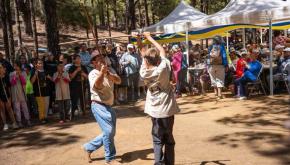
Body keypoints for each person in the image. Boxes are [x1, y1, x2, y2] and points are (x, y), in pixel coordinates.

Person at [137, 32, 180, 165]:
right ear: (158, 60)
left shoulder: (144, 71)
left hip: (154, 110)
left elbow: (142, 52)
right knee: (169, 140)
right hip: (167, 109)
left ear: (146, 61)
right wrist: (148, 37)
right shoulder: (163, 67)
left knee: (157, 139)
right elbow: (161, 49)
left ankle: (158, 163)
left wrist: (139, 39)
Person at [82, 50, 121, 165]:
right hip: (98, 105)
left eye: (103, 59)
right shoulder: (93, 73)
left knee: (109, 133)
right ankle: (110, 158)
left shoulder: (109, 71)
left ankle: (89, 147)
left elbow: (119, 81)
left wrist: (108, 74)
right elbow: (97, 85)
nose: (102, 62)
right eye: (99, 60)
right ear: (94, 63)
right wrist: (101, 73)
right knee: (108, 131)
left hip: (109, 106)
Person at [9, 62, 31, 127]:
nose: (15, 67)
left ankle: (27, 120)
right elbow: (12, 83)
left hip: (22, 92)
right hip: (15, 93)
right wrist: (15, 77)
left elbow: (24, 82)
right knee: (17, 108)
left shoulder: (23, 73)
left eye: (16, 66)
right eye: (14, 66)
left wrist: (20, 75)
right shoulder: (11, 74)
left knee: (25, 107)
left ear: (19, 66)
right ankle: (19, 121)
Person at [30, 59, 52, 123]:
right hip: (38, 92)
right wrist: (35, 75)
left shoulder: (46, 71)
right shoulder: (34, 71)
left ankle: (45, 117)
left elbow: (52, 79)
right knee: (41, 105)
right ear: (36, 65)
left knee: (46, 105)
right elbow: (32, 82)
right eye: (39, 63)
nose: (40, 65)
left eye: (41, 63)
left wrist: (49, 77)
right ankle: (41, 118)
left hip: (46, 91)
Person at [69, 55, 88, 120]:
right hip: (74, 86)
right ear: (74, 60)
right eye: (77, 58)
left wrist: (83, 73)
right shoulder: (72, 67)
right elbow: (71, 77)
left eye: (80, 58)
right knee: (74, 100)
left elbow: (87, 77)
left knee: (83, 99)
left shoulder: (83, 67)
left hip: (82, 85)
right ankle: (72, 114)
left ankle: (84, 112)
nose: (79, 59)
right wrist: (77, 70)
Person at [0, 63, 18, 131]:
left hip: (7, 95)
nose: (3, 69)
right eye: (2, 68)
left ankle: (14, 123)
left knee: (9, 108)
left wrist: (10, 96)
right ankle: (5, 124)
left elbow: (9, 87)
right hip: (0, 96)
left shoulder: (6, 76)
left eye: (3, 67)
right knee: (2, 109)